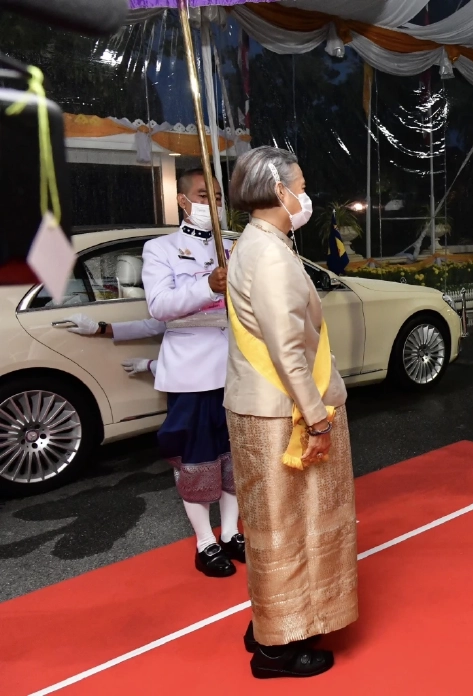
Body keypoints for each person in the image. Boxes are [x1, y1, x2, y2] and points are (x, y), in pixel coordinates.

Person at [224, 146, 357, 678]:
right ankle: (278, 649)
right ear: (279, 191)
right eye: (300, 186)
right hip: (285, 414)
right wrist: (318, 419)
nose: (305, 196)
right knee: (290, 527)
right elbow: (288, 351)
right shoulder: (272, 256)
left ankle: (271, 621)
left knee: (275, 524)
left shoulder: (255, 243)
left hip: (264, 405)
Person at [141, 170, 244, 578]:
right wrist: (207, 287)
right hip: (191, 372)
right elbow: (159, 306)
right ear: (182, 201)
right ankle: (205, 542)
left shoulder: (234, 246)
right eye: (203, 196)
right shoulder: (161, 248)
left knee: (236, 457)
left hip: (235, 368)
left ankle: (232, 532)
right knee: (196, 459)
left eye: (217, 196)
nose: (212, 203)